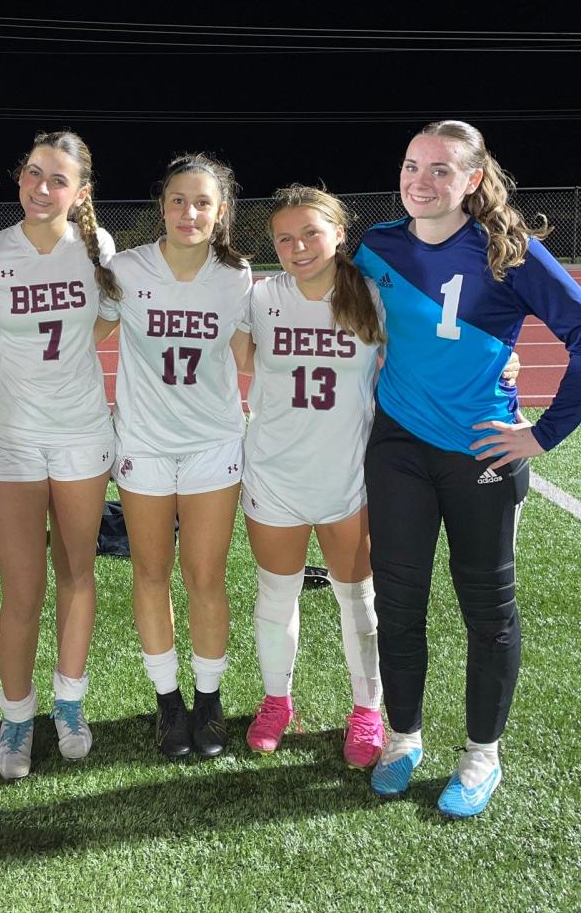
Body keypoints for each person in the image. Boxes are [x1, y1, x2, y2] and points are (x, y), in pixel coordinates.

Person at [355, 120, 581, 818]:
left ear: (474, 180)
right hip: (396, 449)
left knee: (488, 613)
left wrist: (542, 435)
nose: (420, 181)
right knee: (397, 606)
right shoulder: (376, 246)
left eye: (441, 170)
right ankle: (402, 736)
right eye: (411, 166)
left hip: (481, 455)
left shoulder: (510, 253)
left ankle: (482, 753)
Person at [0, 130, 119, 780]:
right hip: (12, 439)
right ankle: (16, 715)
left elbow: (105, 321)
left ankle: (70, 704)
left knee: (78, 572)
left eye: (57, 179)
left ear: (80, 192)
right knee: (22, 588)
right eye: (32, 173)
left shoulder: (98, 248)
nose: (40, 187)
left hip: (82, 433)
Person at [96, 155, 253, 759]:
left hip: (214, 442)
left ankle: (209, 699)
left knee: (205, 577)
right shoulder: (127, 269)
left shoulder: (235, 276)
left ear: (221, 213)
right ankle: (168, 701)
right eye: (178, 201)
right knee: (150, 573)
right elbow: (85, 335)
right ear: (162, 206)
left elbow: (249, 356)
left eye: (203, 203)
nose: (190, 213)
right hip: (144, 444)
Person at [238, 185, 386, 768]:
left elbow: (421, 356)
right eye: (285, 237)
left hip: (346, 474)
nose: (298, 247)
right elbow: (226, 355)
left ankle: (367, 708)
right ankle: (278, 700)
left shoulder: (371, 297)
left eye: (311, 233)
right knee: (276, 595)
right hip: (273, 471)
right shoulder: (259, 296)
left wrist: (500, 356)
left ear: (339, 235)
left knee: (359, 599)